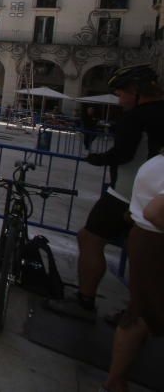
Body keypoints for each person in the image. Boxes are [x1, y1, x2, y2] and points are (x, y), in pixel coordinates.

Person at [48, 64, 164, 322]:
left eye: (122, 93)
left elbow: (123, 154)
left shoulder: (136, 117)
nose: (120, 99)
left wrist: (97, 158)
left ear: (136, 91)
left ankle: (85, 301)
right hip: (157, 197)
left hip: (127, 193)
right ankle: (138, 312)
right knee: (143, 256)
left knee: (89, 238)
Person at [102, 152, 164, 392]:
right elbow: (155, 213)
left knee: (140, 313)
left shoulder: (156, 162)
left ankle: (115, 381)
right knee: (141, 313)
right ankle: (115, 381)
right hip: (154, 243)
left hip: (144, 238)